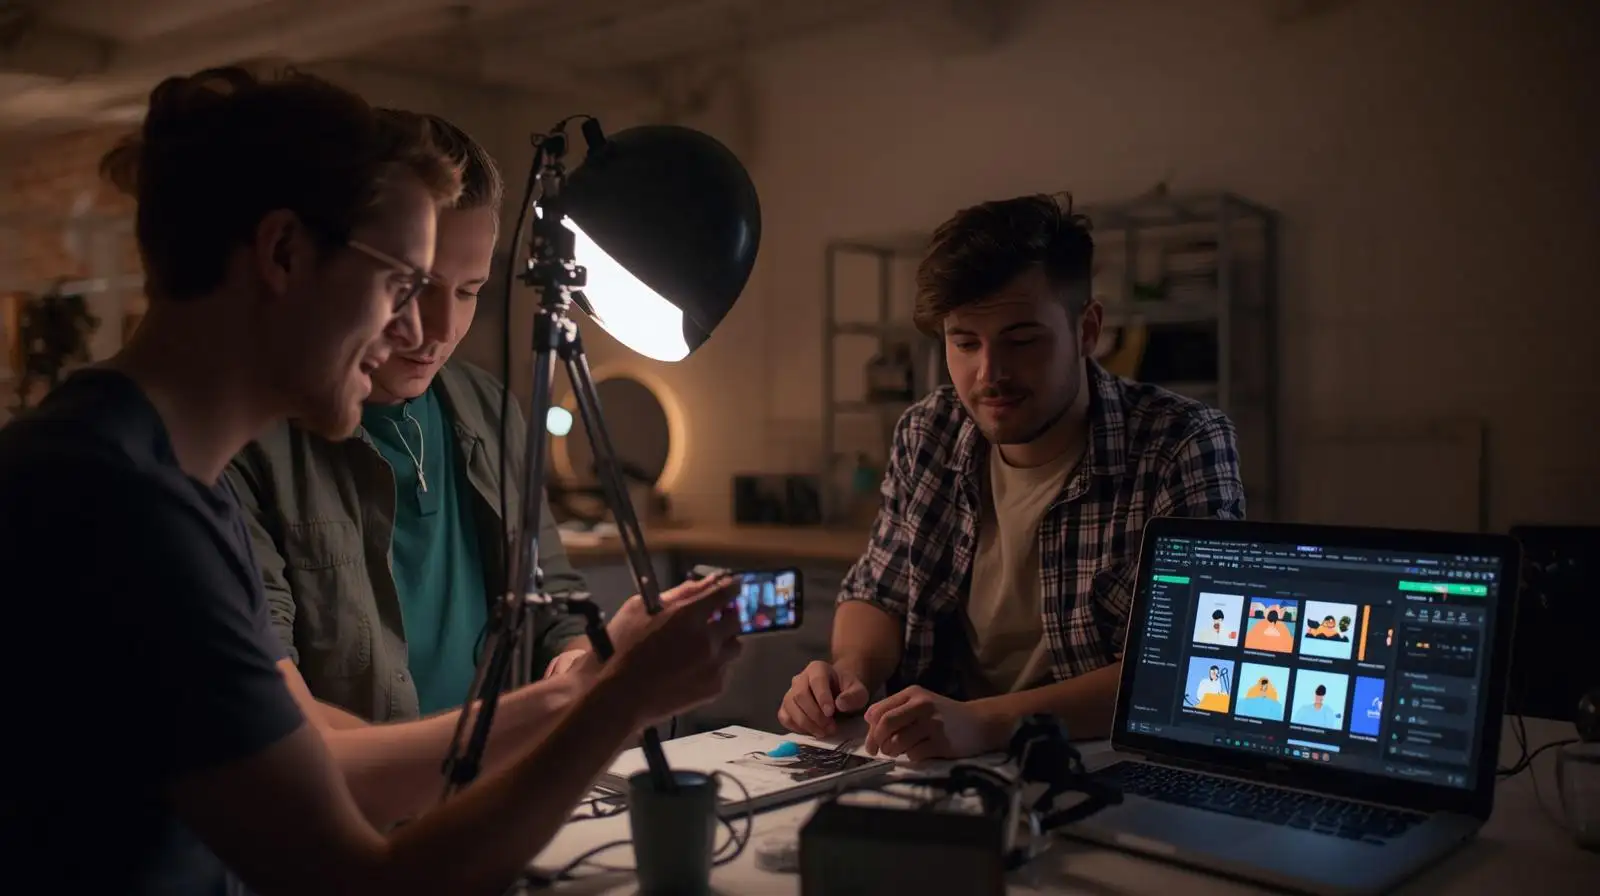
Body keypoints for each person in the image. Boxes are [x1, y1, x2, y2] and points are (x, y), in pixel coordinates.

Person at [0, 66, 741, 896]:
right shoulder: (112, 511)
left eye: (455, 292)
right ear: (283, 253)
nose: (412, 333)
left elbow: (321, 755)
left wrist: (597, 688)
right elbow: (363, 882)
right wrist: (612, 701)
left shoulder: (157, 479)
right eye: (400, 284)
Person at [778, 193, 1245, 760]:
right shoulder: (929, 431)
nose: (989, 374)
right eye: (964, 342)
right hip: (941, 756)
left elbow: (1187, 668)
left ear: (1087, 330)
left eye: (1021, 340)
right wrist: (848, 673)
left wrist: (984, 723)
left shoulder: (1181, 444)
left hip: (1099, 761)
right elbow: (879, 592)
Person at [226, 110, 597, 739]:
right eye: (412, 284)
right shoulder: (249, 437)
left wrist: (582, 660)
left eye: (469, 290)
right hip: (359, 813)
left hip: (488, 786)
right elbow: (274, 712)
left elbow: (555, 599)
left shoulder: (489, 409)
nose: (436, 331)